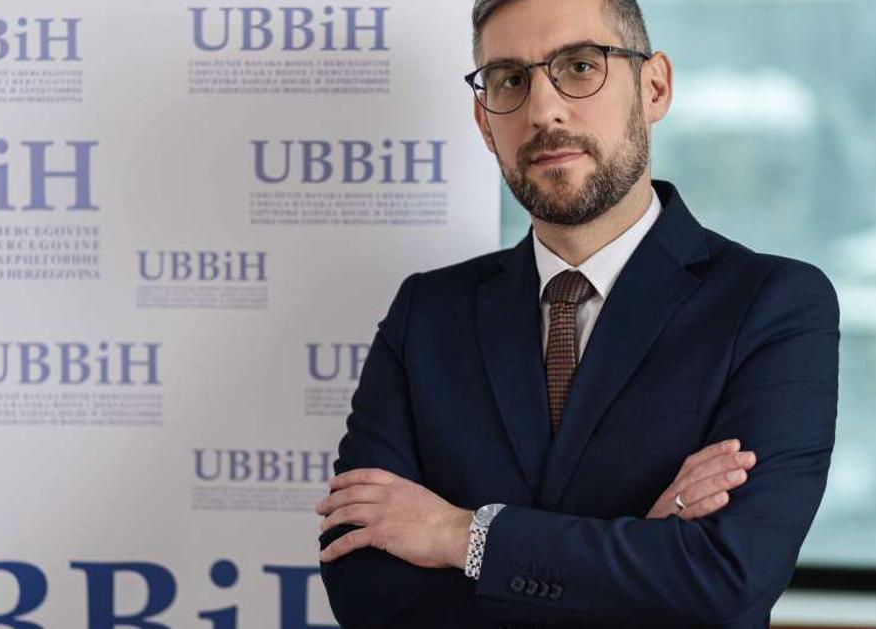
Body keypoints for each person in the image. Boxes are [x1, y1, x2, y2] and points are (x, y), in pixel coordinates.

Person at [314, 0, 840, 627]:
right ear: (484, 122)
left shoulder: (772, 305)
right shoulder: (426, 316)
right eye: (511, 80)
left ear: (654, 86)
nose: (543, 110)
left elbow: (726, 575)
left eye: (581, 66)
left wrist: (462, 535)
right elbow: (366, 588)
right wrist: (639, 557)